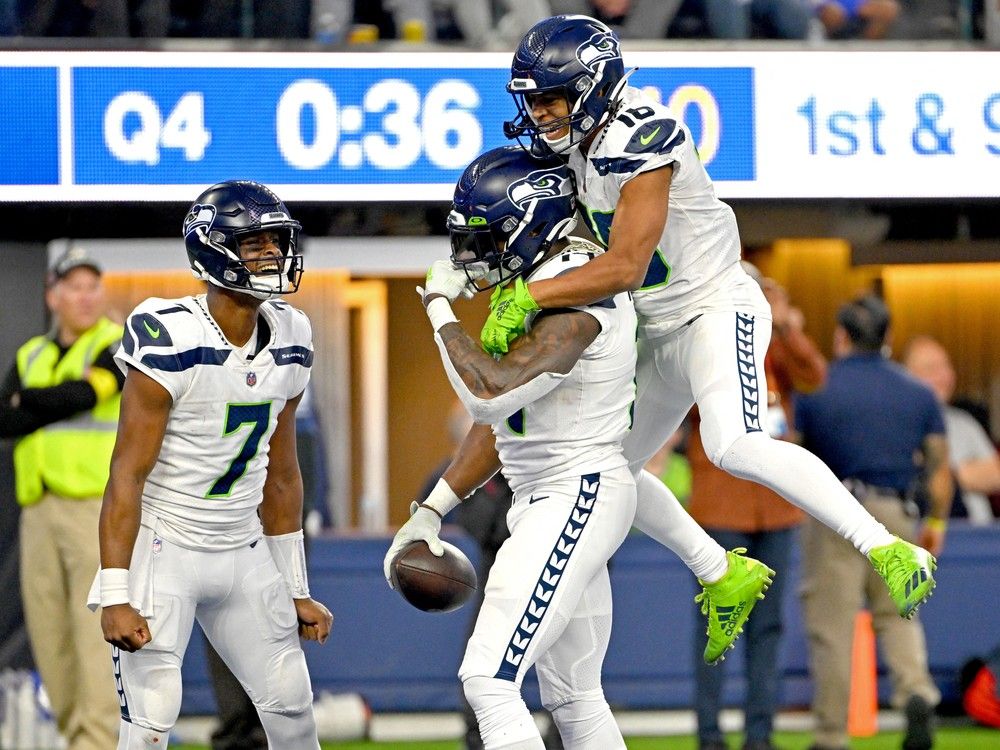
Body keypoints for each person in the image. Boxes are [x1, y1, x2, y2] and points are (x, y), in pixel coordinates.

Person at [480, 13, 936, 635]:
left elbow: (625, 263)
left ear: (593, 86)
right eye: (533, 101)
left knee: (734, 443)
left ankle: (887, 545)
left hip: (714, 309)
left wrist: (530, 296)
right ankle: (721, 571)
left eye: (552, 98)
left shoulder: (641, 136)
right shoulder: (578, 147)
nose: (541, 114)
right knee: (607, 468)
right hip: (659, 328)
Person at [385, 145, 640, 749]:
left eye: (488, 235)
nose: (476, 254)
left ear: (531, 223)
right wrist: (431, 509)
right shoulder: (535, 285)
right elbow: (504, 426)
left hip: (575, 493)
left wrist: (439, 309)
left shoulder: (571, 291)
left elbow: (489, 396)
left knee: (488, 679)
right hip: (554, 493)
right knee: (574, 697)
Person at [89, 180, 333, 749]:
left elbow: (281, 471)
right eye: (255, 244)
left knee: (293, 705)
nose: (273, 254)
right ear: (213, 250)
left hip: (241, 547)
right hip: (165, 545)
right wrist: (115, 590)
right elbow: (127, 473)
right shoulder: (169, 332)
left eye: (277, 240)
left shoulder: (293, 333)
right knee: (151, 719)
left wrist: (295, 584)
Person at [795, 295, 950, 750]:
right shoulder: (919, 393)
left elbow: (793, 453)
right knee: (901, 615)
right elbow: (940, 468)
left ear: (841, 336)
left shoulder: (816, 389)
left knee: (832, 628)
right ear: (889, 338)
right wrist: (935, 524)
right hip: (897, 511)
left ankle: (831, 736)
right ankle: (916, 692)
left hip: (834, 513)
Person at [688, 270, 826, 750]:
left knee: (768, 627)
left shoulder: (774, 343)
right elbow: (681, 402)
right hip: (721, 505)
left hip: (776, 504)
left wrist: (786, 326)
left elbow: (814, 377)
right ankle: (709, 735)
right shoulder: (700, 335)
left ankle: (759, 736)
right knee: (716, 625)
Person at [0, 247, 124, 750]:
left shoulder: (116, 343)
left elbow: (84, 396)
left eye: (93, 285)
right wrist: (45, 401)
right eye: (74, 285)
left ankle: (97, 740)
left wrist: (27, 401)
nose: (86, 295)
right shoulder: (31, 353)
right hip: (38, 509)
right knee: (50, 636)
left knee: (94, 632)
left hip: (94, 510)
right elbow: (2, 420)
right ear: (52, 295)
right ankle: (77, 736)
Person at [903, 335, 1000, 525]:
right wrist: (968, 473)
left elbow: (996, 474)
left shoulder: (964, 422)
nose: (944, 375)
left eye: (946, 366)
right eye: (932, 369)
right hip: (919, 538)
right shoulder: (896, 425)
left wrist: (949, 475)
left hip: (978, 537)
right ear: (907, 377)